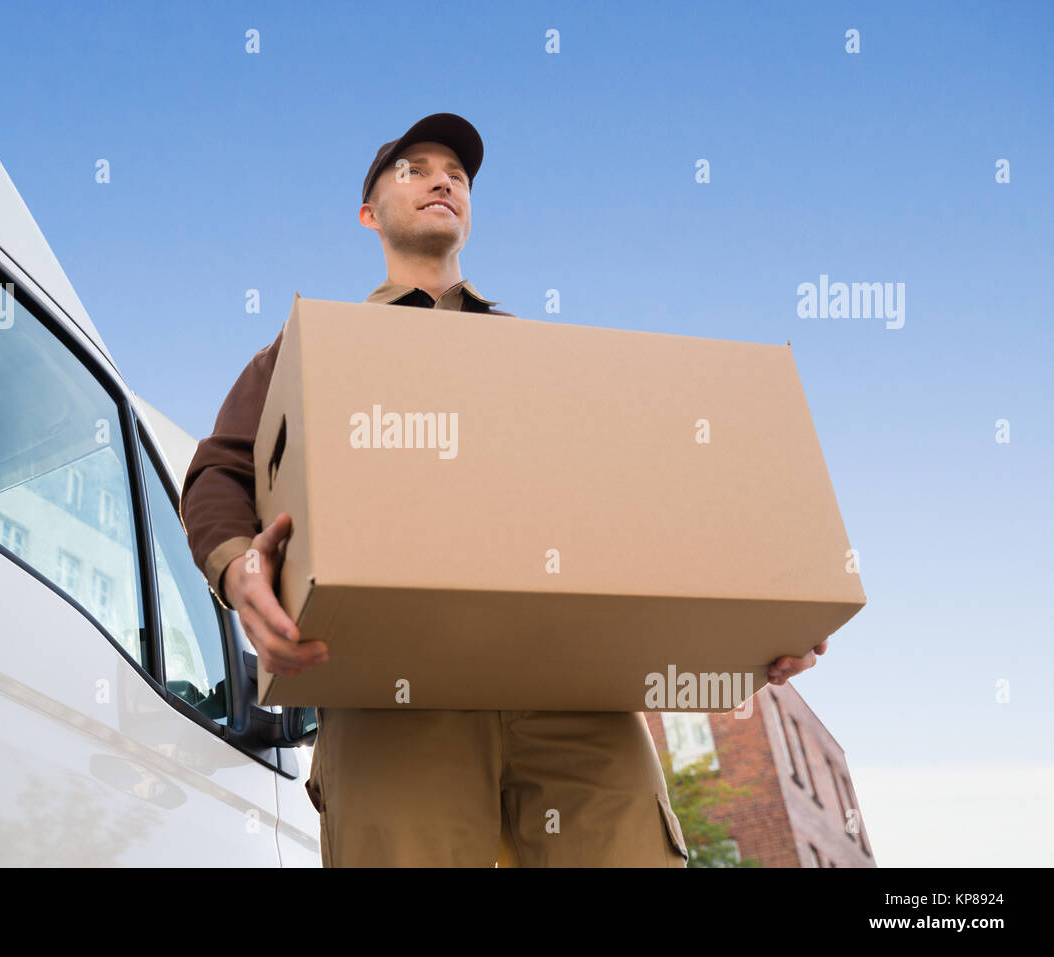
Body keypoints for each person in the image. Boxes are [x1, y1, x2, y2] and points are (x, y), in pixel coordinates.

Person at [179, 112, 826, 866]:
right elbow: (218, 472)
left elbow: (654, 503)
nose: (442, 178)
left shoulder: (549, 359)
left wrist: (762, 616)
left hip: (575, 690)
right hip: (389, 689)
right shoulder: (309, 350)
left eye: (456, 172)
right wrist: (238, 566)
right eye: (413, 168)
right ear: (368, 213)